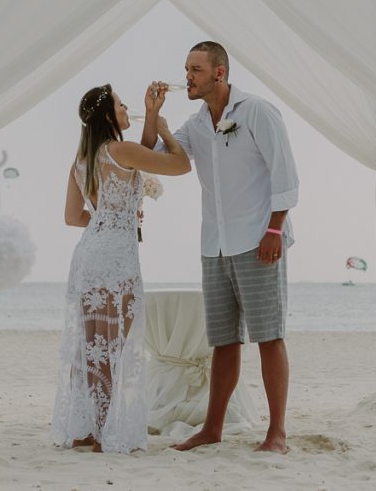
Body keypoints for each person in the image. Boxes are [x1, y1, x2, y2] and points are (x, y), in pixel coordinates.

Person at [142, 41, 299, 454]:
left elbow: (285, 172)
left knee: (269, 336)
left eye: (195, 69)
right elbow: (155, 156)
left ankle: (277, 433)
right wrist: (154, 115)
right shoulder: (195, 125)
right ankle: (212, 429)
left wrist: (275, 231)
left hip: (259, 238)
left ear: (219, 73)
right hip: (215, 245)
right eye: (186, 69)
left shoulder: (257, 112)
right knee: (224, 341)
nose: (187, 77)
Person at [50, 83, 190, 453]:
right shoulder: (120, 150)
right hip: (116, 258)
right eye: (122, 105)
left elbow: (72, 216)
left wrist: (113, 218)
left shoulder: (82, 159)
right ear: (110, 116)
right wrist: (162, 129)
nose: (128, 109)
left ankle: (85, 428)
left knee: (92, 346)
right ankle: (104, 434)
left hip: (88, 254)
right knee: (113, 346)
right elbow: (180, 165)